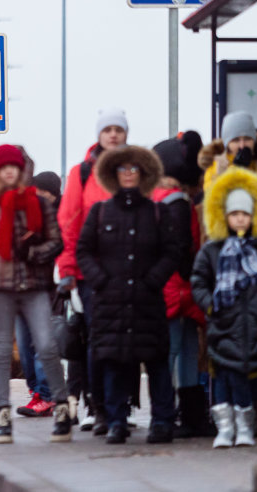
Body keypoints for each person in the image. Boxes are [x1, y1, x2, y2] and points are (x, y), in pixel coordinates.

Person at [76, 145, 180, 445]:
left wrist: (153, 280)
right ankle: (116, 422)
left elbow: (171, 252)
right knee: (114, 363)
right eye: (123, 169)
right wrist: (101, 281)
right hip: (112, 302)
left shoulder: (158, 213)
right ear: (113, 174)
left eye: (135, 169)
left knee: (157, 361)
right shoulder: (100, 211)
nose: (129, 174)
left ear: (144, 174)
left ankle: (162, 422)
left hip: (148, 301)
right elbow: (84, 251)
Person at [0, 144, 72, 444]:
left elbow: (57, 242)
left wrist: (34, 251)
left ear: (22, 169)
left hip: (35, 287)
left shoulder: (39, 205)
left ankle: (62, 407)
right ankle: (2, 414)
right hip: (2, 291)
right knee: (1, 353)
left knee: (47, 346)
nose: (9, 171)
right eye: (3, 167)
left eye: (14, 165)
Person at [191, 166, 257, 448]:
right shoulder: (212, 251)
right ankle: (225, 428)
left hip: (252, 324)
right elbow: (199, 280)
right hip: (222, 322)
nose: (240, 219)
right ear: (225, 216)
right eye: (235, 214)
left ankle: (245, 427)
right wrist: (210, 305)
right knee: (223, 376)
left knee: (244, 376)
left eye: (245, 214)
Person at [56, 109, 128, 434]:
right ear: (99, 135)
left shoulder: (134, 169)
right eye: (107, 129)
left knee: (129, 343)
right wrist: (68, 273)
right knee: (97, 343)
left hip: (129, 271)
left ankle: (121, 408)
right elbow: (68, 224)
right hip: (92, 274)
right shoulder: (82, 173)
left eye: (118, 129)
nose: (113, 135)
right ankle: (99, 407)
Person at [152, 138, 211, 438]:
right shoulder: (176, 200)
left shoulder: (156, 197)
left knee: (180, 348)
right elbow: (183, 246)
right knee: (178, 349)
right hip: (178, 287)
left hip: (171, 287)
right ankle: (181, 415)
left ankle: (179, 413)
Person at [15, 171, 64, 418]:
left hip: (47, 293)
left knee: (41, 346)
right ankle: (36, 391)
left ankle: (46, 395)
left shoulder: (61, 220)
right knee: (24, 346)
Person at [199, 111, 257, 236]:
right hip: (230, 242)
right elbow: (215, 206)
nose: (242, 145)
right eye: (236, 140)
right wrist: (236, 170)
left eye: (247, 139)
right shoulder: (216, 169)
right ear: (227, 144)